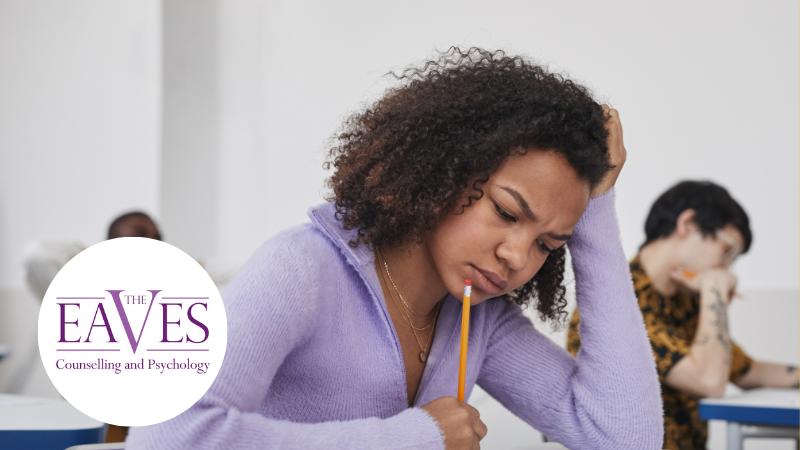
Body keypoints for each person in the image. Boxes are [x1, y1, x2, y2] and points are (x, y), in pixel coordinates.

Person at [127, 47, 663, 450]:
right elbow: (165, 435)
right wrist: (412, 438)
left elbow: (621, 438)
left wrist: (594, 213)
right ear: (442, 170)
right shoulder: (302, 268)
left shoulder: (479, 320)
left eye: (548, 244)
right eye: (505, 212)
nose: (519, 257)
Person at [567, 180, 800, 450]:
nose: (727, 270)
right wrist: (714, 288)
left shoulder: (683, 302)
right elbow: (709, 381)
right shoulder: (618, 301)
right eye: (727, 252)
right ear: (688, 224)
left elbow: (746, 370)